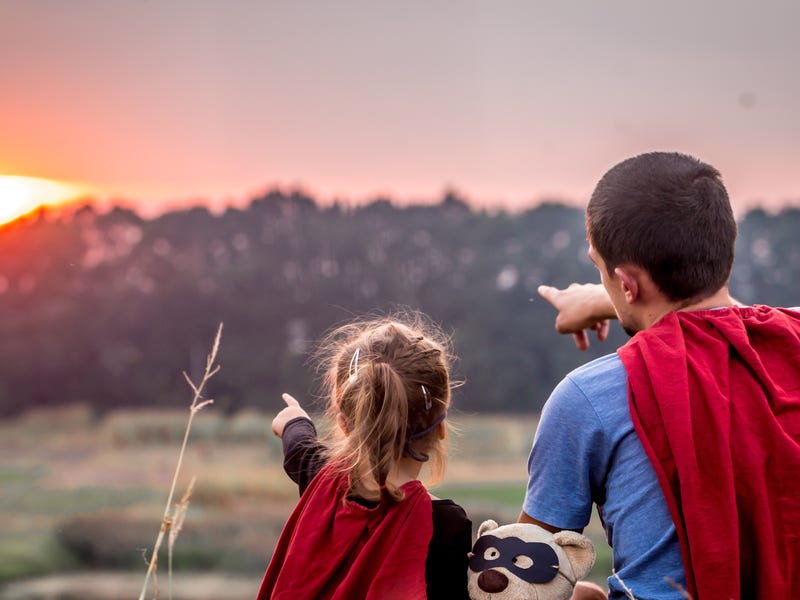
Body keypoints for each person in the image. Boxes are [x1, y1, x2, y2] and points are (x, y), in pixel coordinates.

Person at [521, 152, 800, 599]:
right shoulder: (793, 341)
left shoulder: (587, 397)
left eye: (600, 269)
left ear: (627, 284)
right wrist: (606, 296)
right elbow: (730, 318)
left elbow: (522, 580)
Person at [256, 314, 472, 600]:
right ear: (440, 429)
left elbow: (299, 447)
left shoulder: (320, 481)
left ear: (345, 425)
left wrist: (293, 421)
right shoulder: (446, 524)